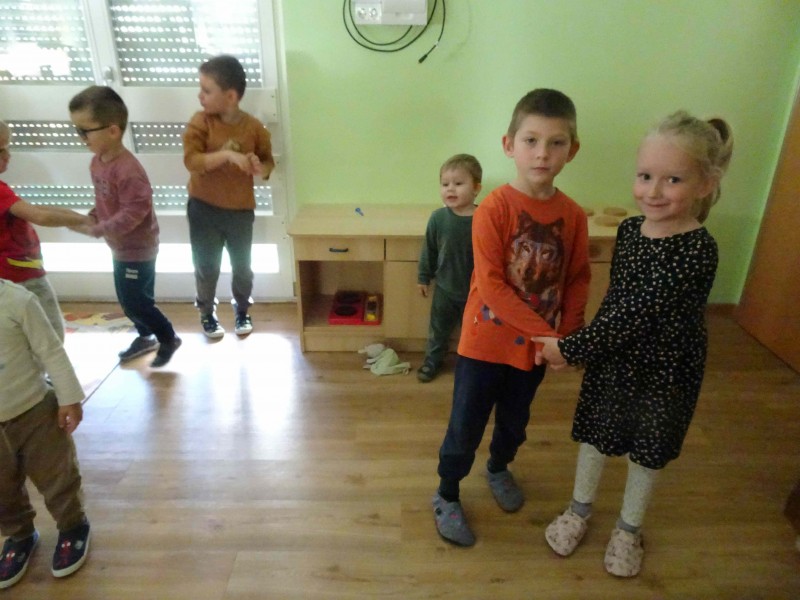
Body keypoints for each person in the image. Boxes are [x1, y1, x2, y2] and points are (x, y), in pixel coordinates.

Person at [534, 111, 734, 577]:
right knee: (596, 437)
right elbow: (616, 304)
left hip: (666, 371)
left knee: (646, 451)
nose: (653, 191)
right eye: (645, 176)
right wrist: (590, 351)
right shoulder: (629, 232)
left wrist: (572, 348)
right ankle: (579, 509)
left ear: (705, 184)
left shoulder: (697, 250)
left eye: (673, 179)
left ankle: (628, 529)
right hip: (616, 362)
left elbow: (638, 313)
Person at [431, 89, 590, 546]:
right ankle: (446, 492)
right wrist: (550, 336)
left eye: (556, 143)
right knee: (466, 424)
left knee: (515, 422)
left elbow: (578, 277)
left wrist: (569, 338)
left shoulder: (573, 216)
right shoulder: (494, 209)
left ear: (572, 150)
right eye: (531, 140)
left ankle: (499, 467)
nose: (542, 153)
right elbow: (493, 288)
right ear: (509, 145)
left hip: (535, 351)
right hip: (484, 345)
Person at [68, 86, 181, 368]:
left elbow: (135, 211)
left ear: (112, 131)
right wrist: (94, 214)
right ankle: (145, 336)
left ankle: (168, 337)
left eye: (85, 131)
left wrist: (102, 228)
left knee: (137, 302)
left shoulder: (129, 171)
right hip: (119, 247)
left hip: (138, 249)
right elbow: (105, 199)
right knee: (127, 299)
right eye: (77, 130)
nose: (81, 137)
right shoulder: (97, 163)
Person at [0, 279, 91, 589]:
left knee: (57, 477)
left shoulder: (18, 301)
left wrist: (69, 397)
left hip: (35, 412)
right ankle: (19, 534)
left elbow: (51, 351)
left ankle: (73, 525)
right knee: (2, 489)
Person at [182, 54, 275, 338]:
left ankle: (242, 309)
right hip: (203, 209)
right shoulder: (201, 122)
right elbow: (192, 161)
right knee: (206, 267)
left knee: (242, 268)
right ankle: (206, 312)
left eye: (206, 90)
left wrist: (260, 167)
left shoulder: (254, 128)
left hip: (240, 212)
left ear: (231, 96)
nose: (200, 96)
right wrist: (226, 155)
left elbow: (268, 162)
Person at [0, 120, 94, 342]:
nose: (8, 155)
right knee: (51, 332)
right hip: (21, 275)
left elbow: (33, 209)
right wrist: (84, 220)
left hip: (13, 275)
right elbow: (39, 216)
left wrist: (75, 216)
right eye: (1, 150)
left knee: (22, 332)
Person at [416, 153, 482, 383]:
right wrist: (423, 277)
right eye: (445, 184)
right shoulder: (438, 218)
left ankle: (471, 366)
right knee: (438, 330)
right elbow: (429, 249)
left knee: (474, 333)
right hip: (444, 288)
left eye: (458, 183)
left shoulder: (485, 217)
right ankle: (432, 360)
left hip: (476, 292)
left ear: (476, 188)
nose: (450, 189)